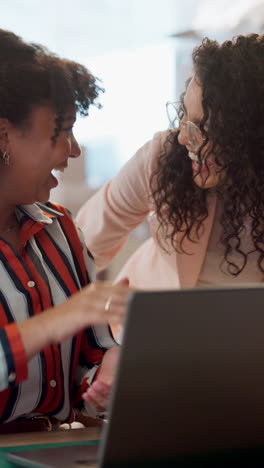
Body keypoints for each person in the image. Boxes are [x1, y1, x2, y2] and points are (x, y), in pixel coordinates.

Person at [0, 29, 130, 433]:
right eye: (62, 132)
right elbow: (62, 323)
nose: (73, 150)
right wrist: (57, 320)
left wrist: (104, 376)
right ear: (3, 136)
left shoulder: (60, 228)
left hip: (49, 449)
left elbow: (89, 356)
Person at [76, 33, 264, 292]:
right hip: (158, 322)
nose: (184, 137)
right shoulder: (162, 157)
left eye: (203, 128)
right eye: (184, 116)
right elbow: (83, 245)